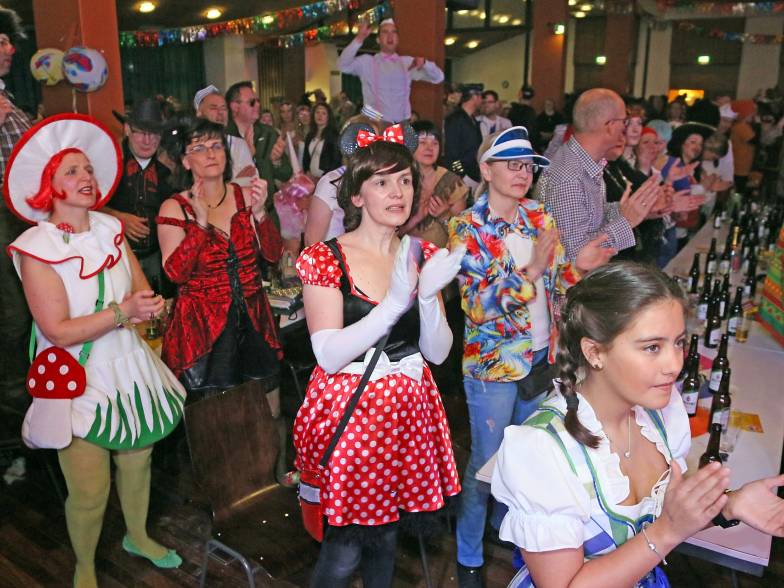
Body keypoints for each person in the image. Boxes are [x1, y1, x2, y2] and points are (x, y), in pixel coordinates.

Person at [491, 262, 784, 588]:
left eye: (678, 342)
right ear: (595, 352)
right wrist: (667, 531)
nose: (674, 365)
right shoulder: (541, 450)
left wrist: (730, 505)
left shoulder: (662, 412)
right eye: (652, 347)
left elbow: (672, 515)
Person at [7, 114, 185, 588]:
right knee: (89, 491)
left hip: (128, 366)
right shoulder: (35, 247)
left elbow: (140, 292)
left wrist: (152, 309)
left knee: (138, 460)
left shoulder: (109, 228)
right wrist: (125, 312)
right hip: (76, 378)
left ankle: (137, 536)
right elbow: (58, 330)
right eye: (72, 171)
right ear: (50, 186)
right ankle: (84, 567)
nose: (86, 176)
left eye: (87, 168)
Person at [294, 125, 462, 588]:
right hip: (355, 418)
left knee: (385, 540)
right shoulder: (326, 258)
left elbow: (437, 353)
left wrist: (426, 298)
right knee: (344, 553)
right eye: (382, 182)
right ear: (357, 196)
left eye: (405, 180)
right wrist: (391, 305)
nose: (397, 192)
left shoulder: (421, 252)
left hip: (408, 411)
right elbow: (328, 354)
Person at [448, 127, 615, 587]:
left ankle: (508, 531)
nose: (523, 173)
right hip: (493, 366)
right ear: (487, 171)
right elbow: (476, 305)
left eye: (527, 166)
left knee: (526, 457)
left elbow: (560, 282)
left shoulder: (540, 216)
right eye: (512, 165)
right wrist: (531, 274)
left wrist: (581, 269)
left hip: (542, 356)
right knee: (486, 463)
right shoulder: (467, 227)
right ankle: (467, 554)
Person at [536, 88, 660, 262]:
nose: (625, 129)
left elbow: (591, 217)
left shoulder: (584, 161)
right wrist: (627, 222)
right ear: (610, 126)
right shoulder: (568, 177)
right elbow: (575, 256)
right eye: (624, 122)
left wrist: (627, 210)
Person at [103, 99, 175, 297]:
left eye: (154, 133)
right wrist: (117, 218)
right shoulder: (108, 166)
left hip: (157, 263)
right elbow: (88, 208)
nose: (147, 140)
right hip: (116, 261)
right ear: (127, 129)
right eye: (141, 132)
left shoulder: (168, 175)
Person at [0, 4, 32, 409]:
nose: (10, 50)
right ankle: (12, 403)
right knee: (13, 313)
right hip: (4, 214)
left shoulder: (7, 95)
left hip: (22, 213)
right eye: (2, 41)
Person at [338, 18, 444, 123]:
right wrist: (359, 38)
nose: (390, 36)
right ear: (378, 39)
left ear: (398, 39)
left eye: (394, 32)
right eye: (385, 32)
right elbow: (342, 65)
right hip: (374, 123)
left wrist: (425, 63)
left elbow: (438, 77)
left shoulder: (407, 63)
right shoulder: (367, 62)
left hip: (402, 124)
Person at [398, 120, 468, 248]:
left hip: (442, 255)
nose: (429, 148)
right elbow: (386, 234)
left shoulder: (451, 182)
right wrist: (416, 219)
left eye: (435, 143)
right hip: (401, 254)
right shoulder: (397, 180)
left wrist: (444, 215)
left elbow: (463, 235)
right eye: (422, 142)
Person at [225, 81, 292, 192]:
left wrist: (276, 161)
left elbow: (286, 174)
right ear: (235, 106)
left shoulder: (268, 133)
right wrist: (247, 155)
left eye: (258, 101)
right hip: (235, 199)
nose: (257, 105)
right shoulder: (223, 138)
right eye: (252, 102)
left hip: (265, 201)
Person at [193, 84, 258, 185]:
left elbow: (252, 180)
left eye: (223, 108)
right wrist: (235, 181)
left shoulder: (239, 144)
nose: (220, 113)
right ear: (199, 113)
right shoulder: (192, 146)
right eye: (213, 108)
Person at [444, 85, 484, 186]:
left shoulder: (472, 119)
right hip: (462, 177)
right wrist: (460, 174)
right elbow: (451, 152)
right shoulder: (455, 119)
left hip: (474, 173)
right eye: (481, 96)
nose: (482, 100)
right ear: (474, 97)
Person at [302, 102, 341, 179]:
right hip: (310, 178)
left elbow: (336, 161)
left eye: (323, 113)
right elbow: (306, 157)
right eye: (317, 112)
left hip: (326, 179)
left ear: (328, 117)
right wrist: (307, 171)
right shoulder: (310, 135)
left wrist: (323, 178)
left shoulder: (334, 136)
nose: (320, 116)